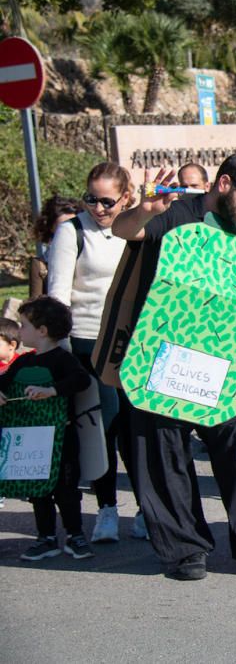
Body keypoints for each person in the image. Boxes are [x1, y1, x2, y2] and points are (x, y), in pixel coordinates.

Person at [112, 153, 236, 582]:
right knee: (164, 451)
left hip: (224, 367)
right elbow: (123, 230)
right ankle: (184, 550)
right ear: (225, 184)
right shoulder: (177, 213)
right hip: (164, 361)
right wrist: (145, 209)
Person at [48, 162, 134, 544]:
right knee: (102, 430)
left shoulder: (134, 227)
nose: (98, 208)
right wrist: (62, 350)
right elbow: (58, 293)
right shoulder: (72, 231)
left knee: (136, 427)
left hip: (132, 343)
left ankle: (148, 508)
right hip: (87, 342)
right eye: (91, 199)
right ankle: (107, 508)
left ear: (126, 198)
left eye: (106, 201)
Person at [2, 297, 92, 561]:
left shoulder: (63, 360)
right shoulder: (22, 362)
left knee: (66, 489)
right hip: (31, 441)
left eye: (24, 325)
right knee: (38, 489)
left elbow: (81, 380)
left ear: (42, 331)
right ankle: (46, 538)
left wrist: (51, 390)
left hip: (61, 438)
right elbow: (5, 381)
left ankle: (76, 536)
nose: (20, 330)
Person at [30, 195, 82, 297]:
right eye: (62, 227)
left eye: (73, 226)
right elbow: (34, 305)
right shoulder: (41, 265)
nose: (68, 232)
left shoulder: (91, 255)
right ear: (51, 228)